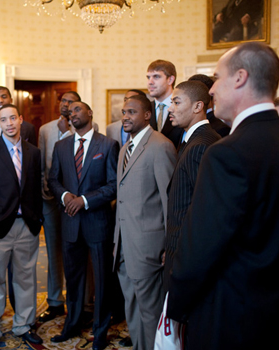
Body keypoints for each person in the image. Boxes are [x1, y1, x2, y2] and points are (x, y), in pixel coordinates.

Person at [167, 42, 279, 350]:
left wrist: (175, 309)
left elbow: (200, 249)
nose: (211, 90)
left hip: (230, 316)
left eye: (217, 78)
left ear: (240, 78)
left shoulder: (226, 153)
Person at [48, 101, 119, 350]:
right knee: (74, 280)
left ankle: (100, 332)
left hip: (97, 222)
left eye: (78, 109)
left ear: (90, 113)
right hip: (70, 223)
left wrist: (85, 201)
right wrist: (66, 196)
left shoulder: (108, 145)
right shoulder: (61, 146)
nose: (72, 113)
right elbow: (53, 179)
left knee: (101, 281)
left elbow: (113, 185)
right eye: (70, 111)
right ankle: (72, 325)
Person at [0, 104, 43, 350]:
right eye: (4, 120)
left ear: (21, 119)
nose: (10, 123)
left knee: (26, 279)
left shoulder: (34, 152)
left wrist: (38, 218)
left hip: (27, 226)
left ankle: (23, 325)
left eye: (13, 118)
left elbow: (34, 187)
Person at [113, 95, 176, 350]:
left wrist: (168, 245)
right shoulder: (124, 149)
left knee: (150, 314)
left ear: (147, 115)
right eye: (123, 112)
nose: (125, 116)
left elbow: (169, 200)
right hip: (124, 247)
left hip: (149, 248)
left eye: (132, 112)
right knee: (132, 310)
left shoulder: (160, 146)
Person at [161, 81, 221, 293]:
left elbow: (203, 209)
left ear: (198, 106)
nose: (170, 108)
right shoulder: (190, 139)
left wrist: (180, 251)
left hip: (187, 252)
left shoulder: (201, 144)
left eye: (177, 102)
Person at [37, 91, 79, 323]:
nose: (67, 105)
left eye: (72, 102)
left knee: (73, 251)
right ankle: (55, 301)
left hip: (75, 201)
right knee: (53, 251)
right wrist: (44, 191)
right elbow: (43, 161)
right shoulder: (45, 129)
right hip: (51, 200)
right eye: (64, 101)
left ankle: (77, 299)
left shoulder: (82, 126)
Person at [146, 60, 183, 148]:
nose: (150, 82)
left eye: (156, 77)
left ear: (170, 80)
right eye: (148, 77)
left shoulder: (182, 108)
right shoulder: (146, 109)